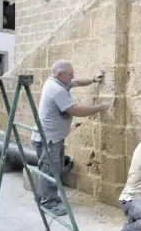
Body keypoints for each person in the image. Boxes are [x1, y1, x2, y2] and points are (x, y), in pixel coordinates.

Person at [31, 60, 110, 216]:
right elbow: (76, 110)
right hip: (49, 139)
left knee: (53, 168)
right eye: (70, 74)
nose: (73, 76)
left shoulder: (58, 81)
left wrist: (94, 79)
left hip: (53, 137)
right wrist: (100, 108)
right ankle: (48, 203)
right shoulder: (56, 89)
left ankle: (43, 196)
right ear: (60, 74)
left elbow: (77, 82)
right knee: (50, 170)